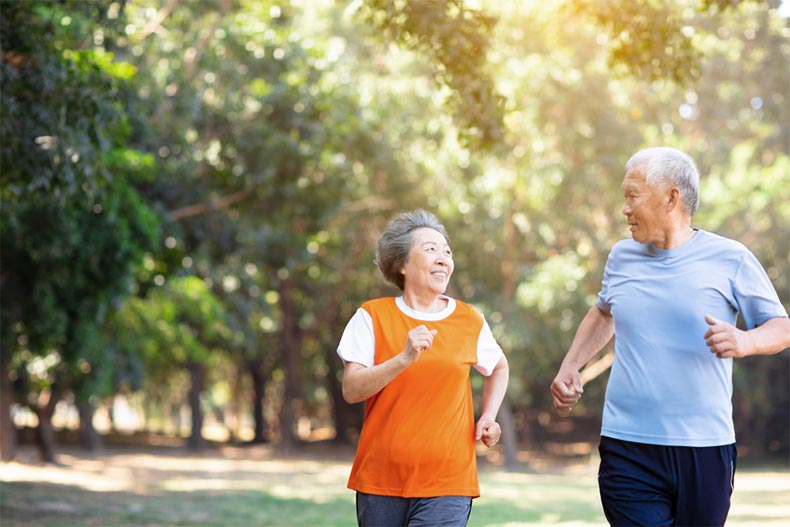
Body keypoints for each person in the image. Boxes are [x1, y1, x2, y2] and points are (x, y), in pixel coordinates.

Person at [550, 146, 790, 526]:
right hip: (627, 444)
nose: (625, 208)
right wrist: (570, 366)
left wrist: (745, 341)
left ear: (671, 197)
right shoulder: (622, 256)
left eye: (632, 195)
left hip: (705, 446)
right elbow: (603, 312)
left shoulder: (731, 258)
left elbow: (782, 327)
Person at [337, 209, 509, 527]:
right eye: (430, 249)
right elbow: (351, 389)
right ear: (402, 264)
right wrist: (404, 358)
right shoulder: (371, 316)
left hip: (449, 479)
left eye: (446, 251)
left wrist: (488, 416)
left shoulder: (469, 320)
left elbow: (499, 367)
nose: (443, 258)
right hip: (381, 478)